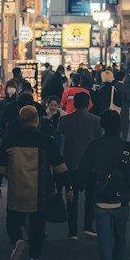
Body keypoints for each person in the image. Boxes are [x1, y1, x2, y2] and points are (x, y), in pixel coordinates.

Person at [0, 105, 69, 260]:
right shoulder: (47, 141)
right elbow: (60, 167)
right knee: (38, 228)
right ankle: (34, 259)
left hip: (16, 190)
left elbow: (0, 167)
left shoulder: (10, 141)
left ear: (20, 121)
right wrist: (68, 186)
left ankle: (17, 240)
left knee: (13, 222)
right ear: (36, 119)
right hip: (41, 191)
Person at [77, 108, 130, 260]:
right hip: (122, 199)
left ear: (102, 126)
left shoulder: (94, 146)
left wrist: (76, 187)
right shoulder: (127, 147)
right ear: (119, 125)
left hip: (100, 199)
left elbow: (83, 170)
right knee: (120, 234)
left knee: (104, 236)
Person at [57, 89, 101, 239]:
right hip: (90, 165)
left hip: (71, 164)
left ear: (74, 104)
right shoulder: (96, 120)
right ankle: (88, 226)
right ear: (88, 104)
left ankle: (72, 231)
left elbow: (60, 143)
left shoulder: (64, 120)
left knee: (71, 198)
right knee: (91, 197)